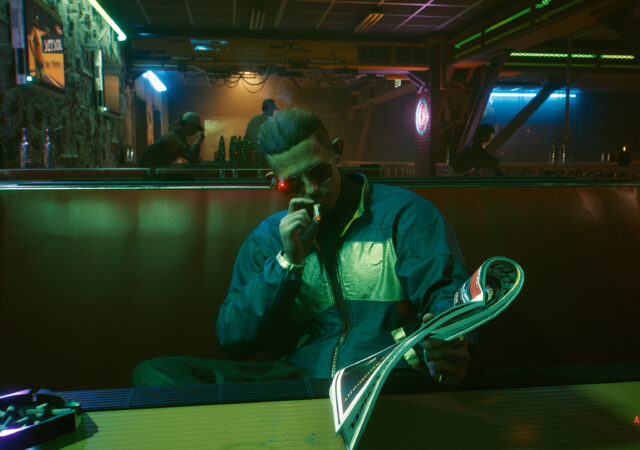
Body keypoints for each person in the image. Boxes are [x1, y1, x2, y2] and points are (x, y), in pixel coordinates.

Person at [133, 108, 473, 386]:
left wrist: (449, 339)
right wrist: (288, 263)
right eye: (292, 183)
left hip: (385, 375)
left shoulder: (404, 214)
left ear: (336, 153)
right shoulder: (270, 238)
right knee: (155, 373)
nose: (310, 189)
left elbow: (446, 295)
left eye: (319, 172)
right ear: (273, 182)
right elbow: (234, 340)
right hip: (301, 378)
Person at [139, 112, 205, 168]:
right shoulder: (173, 137)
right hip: (149, 168)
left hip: (154, 168)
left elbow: (193, 156)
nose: (196, 131)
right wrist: (199, 139)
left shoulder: (179, 136)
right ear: (188, 124)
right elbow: (191, 157)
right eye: (195, 127)